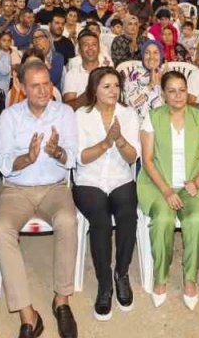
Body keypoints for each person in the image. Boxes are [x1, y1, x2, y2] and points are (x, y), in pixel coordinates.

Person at [0, 61, 80, 338]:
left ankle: (61, 300)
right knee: (0, 229)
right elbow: (4, 163)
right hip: (17, 189)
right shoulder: (9, 116)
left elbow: (74, 156)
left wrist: (58, 153)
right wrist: (26, 159)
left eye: (46, 84)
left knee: (67, 220)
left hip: (55, 187)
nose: (42, 91)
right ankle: (28, 314)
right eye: (35, 85)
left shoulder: (65, 113)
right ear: (22, 87)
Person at [137, 70, 199, 309]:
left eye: (182, 90)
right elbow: (148, 159)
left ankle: (190, 279)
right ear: (163, 95)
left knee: (194, 220)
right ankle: (160, 278)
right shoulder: (152, 117)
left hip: (195, 184)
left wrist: (197, 182)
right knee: (162, 219)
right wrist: (167, 191)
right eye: (171, 91)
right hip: (158, 184)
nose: (178, 95)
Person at [72, 67, 140, 320]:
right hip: (89, 180)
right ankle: (104, 282)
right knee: (99, 220)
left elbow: (133, 157)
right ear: (95, 90)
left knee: (127, 215)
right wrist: (105, 143)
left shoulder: (129, 114)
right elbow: (81, 157)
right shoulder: (81, 115)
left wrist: (120, 140)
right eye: (107, 86)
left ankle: (121, 274)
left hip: (121, 177)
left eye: (116, 86)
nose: (113, 91)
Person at [60, 31, 110, 108]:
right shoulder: (72, 75)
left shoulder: (109, 72)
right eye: (86, 45)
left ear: (99, 49)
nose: (90, 48)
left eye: (94, 45)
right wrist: (88, 94)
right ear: (79, 50)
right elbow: (68, 107)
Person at [121, 39, 164, 123]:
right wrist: (150, 85)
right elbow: (129, 103)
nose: (151, 57)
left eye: (155, 53)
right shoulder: (134, 75)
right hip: (139, 123)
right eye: (147, 53)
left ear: (161, 56)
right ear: (143, 56)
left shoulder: (166, 74)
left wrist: (162, 86)